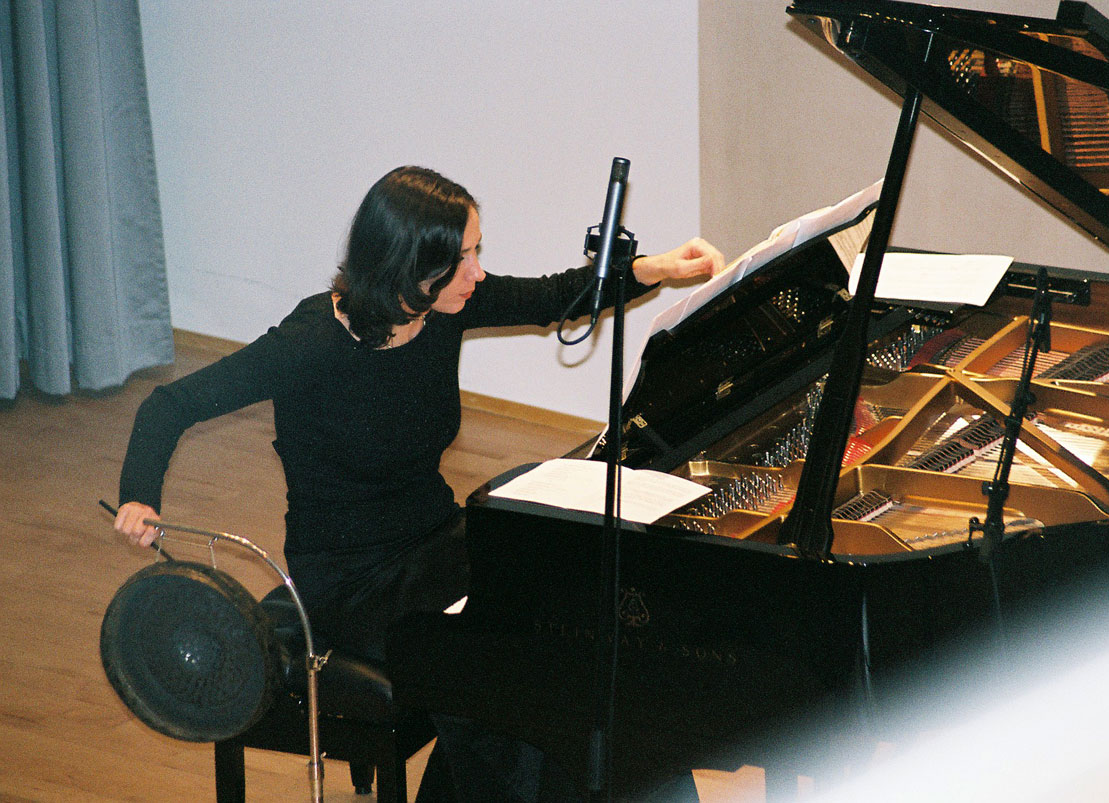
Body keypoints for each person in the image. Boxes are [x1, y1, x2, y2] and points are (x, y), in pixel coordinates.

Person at [113, 165, 724, 800]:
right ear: (409, 266)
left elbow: (553, 297)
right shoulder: (310, 344)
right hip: (350, 584)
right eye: (462, 259)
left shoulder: (442, 309)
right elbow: (170, 406)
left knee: (564, 616)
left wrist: (653, 269)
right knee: (495, 666)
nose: (478, 273)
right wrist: (138, 496)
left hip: (438, 541)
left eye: (477, 251)